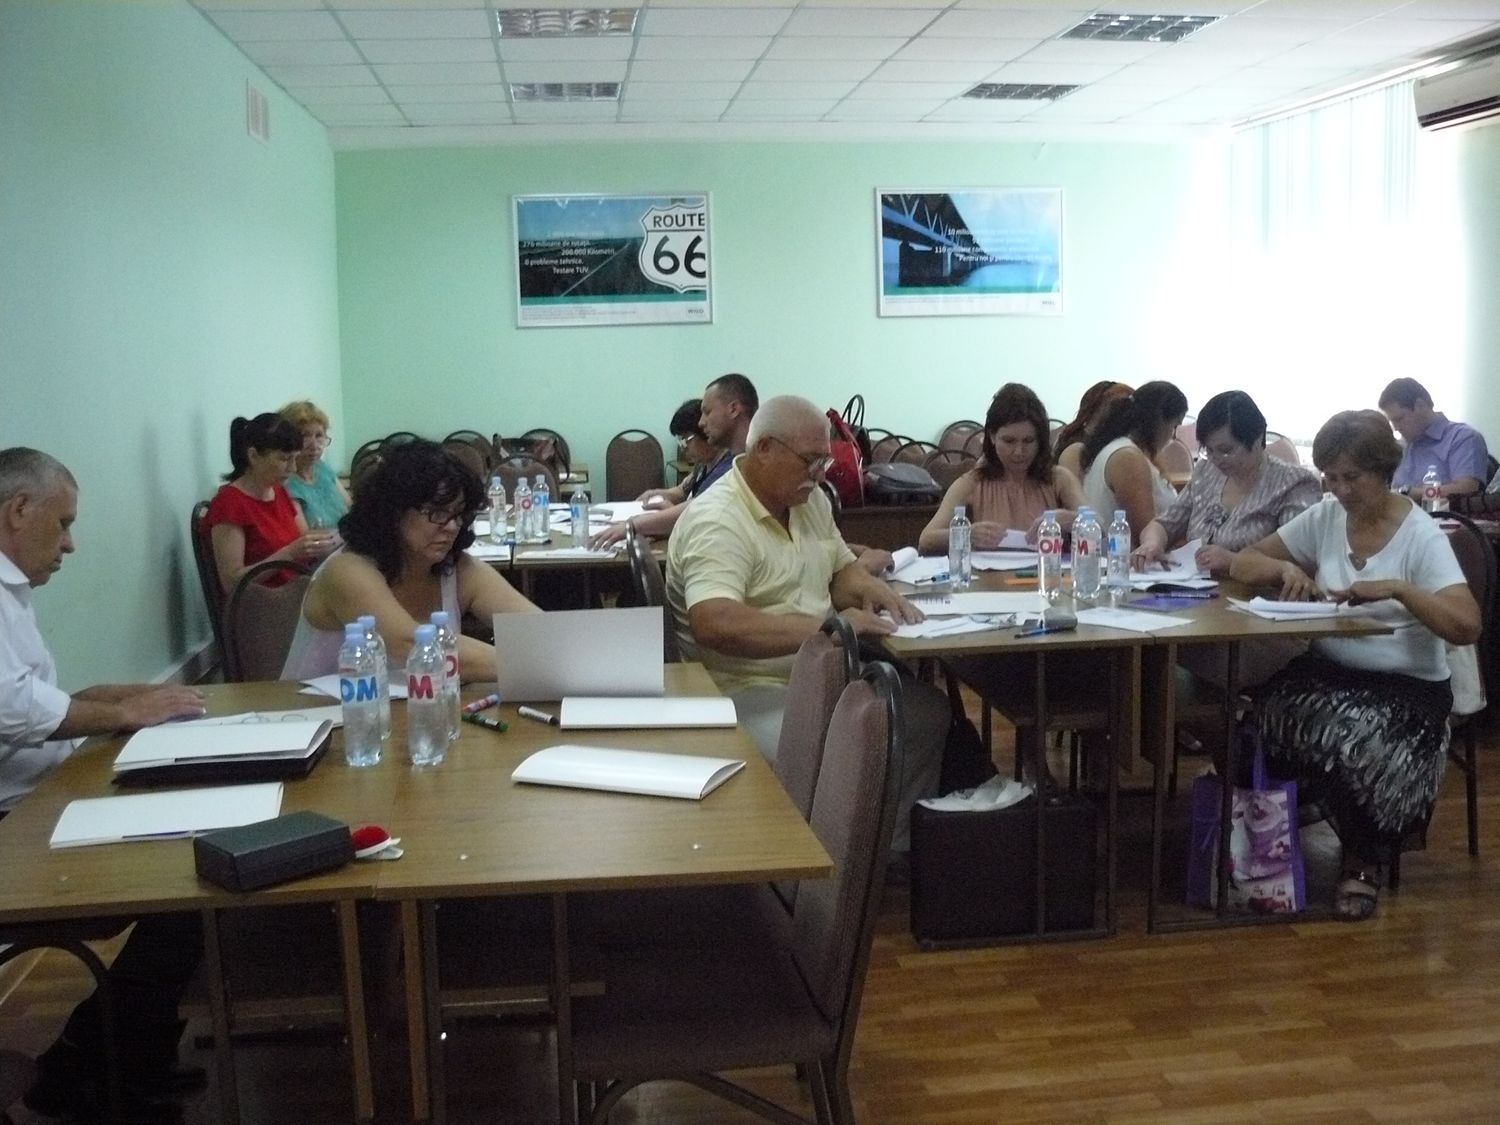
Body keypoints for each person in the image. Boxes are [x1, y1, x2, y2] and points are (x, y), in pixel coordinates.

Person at [0, 447, 208, 1123]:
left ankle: (105, 1059)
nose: (70, 544)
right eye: (63, 523)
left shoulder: (10, 591)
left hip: (35, 793)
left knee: (189, 869)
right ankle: (97, 1068)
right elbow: (13, 711)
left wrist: (115, 696)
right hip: (13, 820)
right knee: (184, 886)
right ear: (18, 510)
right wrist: (120, 713)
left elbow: (28, 700)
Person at [666, 395, 950, 848]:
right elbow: (715, 622)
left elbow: (840, 571)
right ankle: (818, 857)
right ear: (764, 449)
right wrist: (831, 629)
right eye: (810, 460)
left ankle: (882, 851)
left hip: (816, 671)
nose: (820, 474)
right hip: (742, 690)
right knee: (863, 733)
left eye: (824, 460)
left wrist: (869, 588)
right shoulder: (718, 519)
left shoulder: (808, 500)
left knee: (926, 714)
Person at [1229, 410, 1480, 921]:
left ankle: (1363, 861)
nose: (1340, 490)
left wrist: (1401, 590)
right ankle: (1271, 837)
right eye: (1331, 477)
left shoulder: (1420, 535)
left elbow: (1466, 625)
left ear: (1384, 472)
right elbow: (1241, 562)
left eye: (1352, 477)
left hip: (1406, 688)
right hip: (1331, 674)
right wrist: (1284, 567)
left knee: (1354, 736)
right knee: (1260, 715)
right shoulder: (1326, 516)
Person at [281, 439, 538, 682]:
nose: (452, 526)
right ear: (393, 512)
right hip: (321, 712)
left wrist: (549, 657)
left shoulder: (460, 570)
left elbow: (540, 631)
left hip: (419, 710)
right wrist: (536, 665)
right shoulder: (346, 570)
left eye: (458, 513)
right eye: (437, 512)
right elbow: (410, 645)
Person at [1134, 390, 1320, 577]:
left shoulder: (1294, 484)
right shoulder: (1206, 473)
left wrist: (1233, 561)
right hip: (1197, 586)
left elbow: (1302, 560)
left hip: (1255, 591)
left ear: (1256, 440)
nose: (1216, 460)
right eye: (1209, 450)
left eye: (1226, 450)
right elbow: (1165, 523)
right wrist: (1152, 544)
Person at [591, 373, 758, 550]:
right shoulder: (732, 458)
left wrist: (633, 525)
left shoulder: (744, 463)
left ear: (733, 409)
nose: (701, 423)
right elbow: (691, 500)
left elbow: (698, 508)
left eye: (707, 412)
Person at [918, 383, 1084, 554]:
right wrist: (967, 534)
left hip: (1048, 569)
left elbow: (1096, 524)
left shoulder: (1059, 478)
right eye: (1009, 441)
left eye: (1028, 441)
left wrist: (1070, 519)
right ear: (992, 436)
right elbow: (926, 539)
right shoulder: (972, 482)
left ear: (1040, 441)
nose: (1019, 451)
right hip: (990, 571)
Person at [203, 413, 336, 594]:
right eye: (284, 459)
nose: (293, 468)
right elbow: (231, 583)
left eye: (295, 458)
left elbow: (303, 542)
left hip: (295, 591)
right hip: (263, 601)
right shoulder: (229, 504)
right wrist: (290, 553)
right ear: (253, 456)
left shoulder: (279, 492)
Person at [1077, 380, 1188, 542]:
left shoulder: (1126, 450)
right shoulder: (1127, 458)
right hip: (1128, 555)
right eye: (1174, 426)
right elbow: (1145, 534)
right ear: (1159, 422)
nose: (1173, 436)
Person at [1378, 377, 1490, 502]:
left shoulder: (1462, 437)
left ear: (1420, 405)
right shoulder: (1404, 445)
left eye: (1399, 419)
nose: (1396, 428)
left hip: (1441, 513)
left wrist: (1412, 494)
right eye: (1392, 421)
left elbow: (1466, 489)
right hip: (1400, 512)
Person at [278, 399, 351, 530]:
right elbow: (306, 536)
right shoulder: (285, 483)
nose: (314, 445)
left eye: (319, 436)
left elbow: (350, 508)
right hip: (326, 542)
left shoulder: (322, 468)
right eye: (305, 436)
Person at [1054, 380, 1132, 480]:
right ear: (1096, 407)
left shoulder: (1118, 446)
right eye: (1117, 405)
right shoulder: (1076, 450)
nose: (1123, 412)